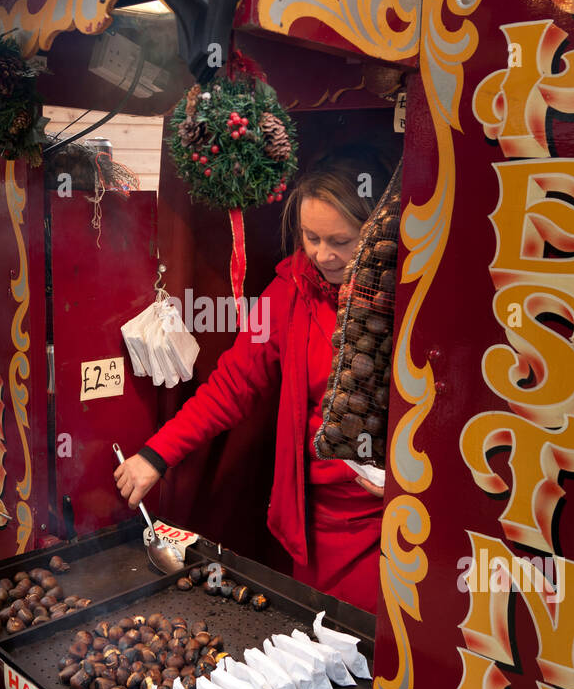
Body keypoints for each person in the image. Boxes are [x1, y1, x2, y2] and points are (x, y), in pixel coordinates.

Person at [113, 158, 389, 612]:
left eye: (341, 241)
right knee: (322, 634)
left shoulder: (407, 294)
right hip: (316, 516)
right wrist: (155, 456)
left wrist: (409, 478)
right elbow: (231, 385)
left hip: (395, 517)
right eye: (311, 238)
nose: (323, 255)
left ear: (376, 233)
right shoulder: (286, 293)